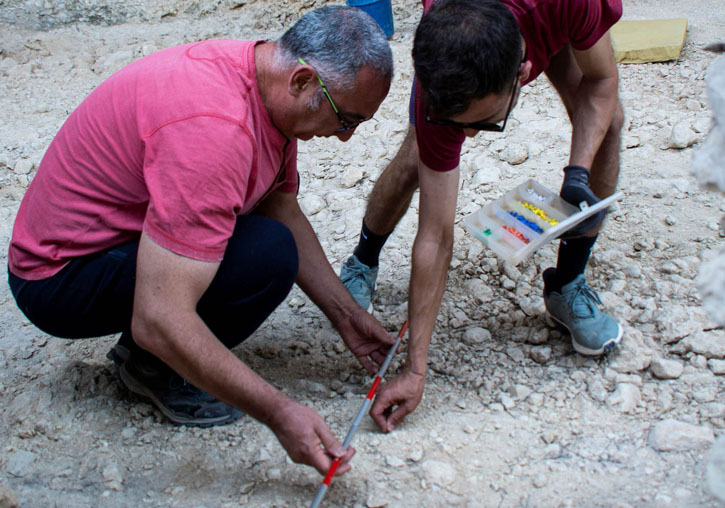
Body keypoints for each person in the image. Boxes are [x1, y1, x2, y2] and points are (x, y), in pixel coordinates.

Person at [7, 6, 395, 477]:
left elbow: (278, 204)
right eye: (344, 120)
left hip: (102, 242)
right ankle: (151, 368)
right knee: (266, 256)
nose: (345, 139)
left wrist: (347, 316)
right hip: (58, 276)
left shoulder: (263, 79)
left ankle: (153, 355)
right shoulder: (216, 129)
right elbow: (158, 317)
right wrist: (279, 412)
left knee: (271, 244)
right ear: (302, 79)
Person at [338, 0, 625, 432]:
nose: (468, 136)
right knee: (418, 155)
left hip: (547, 19)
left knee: (608, 124)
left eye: (485, 122)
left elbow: (602, 80)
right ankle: (363, 260)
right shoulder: (444, 57)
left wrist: (578, 173)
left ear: (523, 74)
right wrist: (415, 370)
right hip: (479, 30)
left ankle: (567, 285)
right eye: (460, 124)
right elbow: (435, 235)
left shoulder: (572, 4)